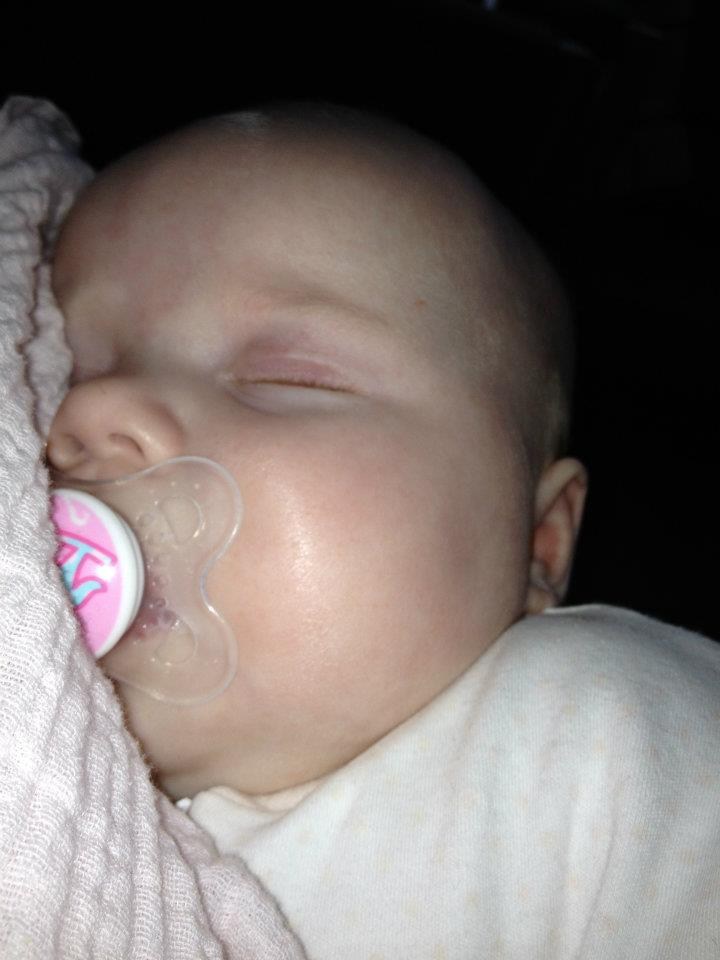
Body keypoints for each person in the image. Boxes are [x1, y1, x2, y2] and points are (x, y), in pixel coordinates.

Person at [45, 100, 720, 959]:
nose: (93, 414)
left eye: (287, 377)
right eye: (63, 375)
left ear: (537, 544)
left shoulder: (608, 737)